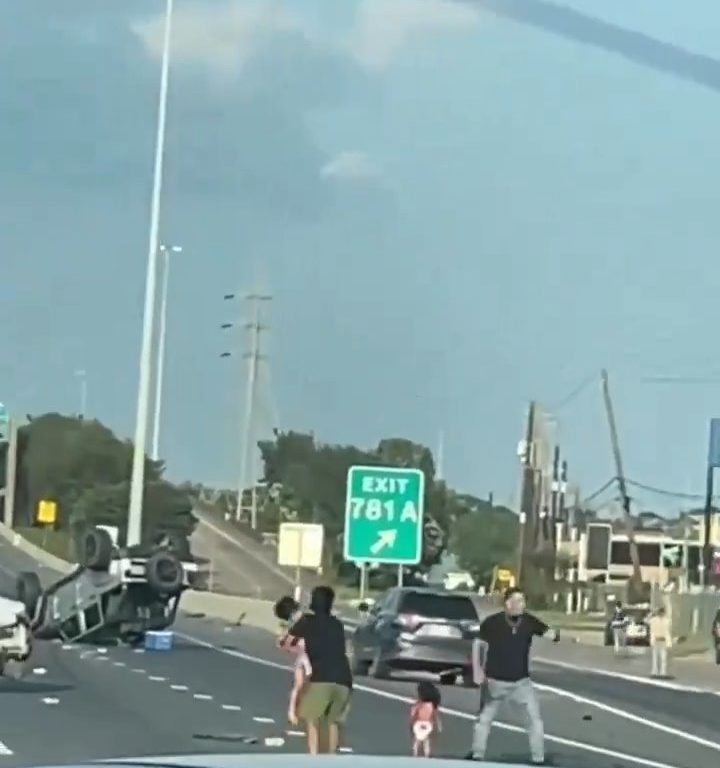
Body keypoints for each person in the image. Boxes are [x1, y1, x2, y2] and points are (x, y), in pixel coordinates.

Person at [468, 587, 559, 765]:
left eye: (522, 601)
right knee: (484, 720)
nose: (518, 605)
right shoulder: (491, 623)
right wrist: (477, 671)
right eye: (514, 601)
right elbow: (477, 645)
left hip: (521, 683)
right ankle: (476, 755)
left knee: (534, 721)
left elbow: (549, 633)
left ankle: (538, 758)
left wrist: (557, 635)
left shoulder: (529, 622)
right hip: (494, 681)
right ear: (506, 603)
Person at [285, 585, 353, 755]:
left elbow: (288, 642)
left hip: (322, 677)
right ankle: (331, 758)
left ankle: (314, 758)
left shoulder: (307, 621)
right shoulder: (337, 624)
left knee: (312, 719)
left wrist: (297, 648)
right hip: (344, 679)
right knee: (333, 722)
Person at [410, 681, 442, 758]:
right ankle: (427, 753)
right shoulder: (432, 705)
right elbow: (436, 716)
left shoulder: (418, 704)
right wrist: (439, 726)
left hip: (418, 723)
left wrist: (411, 724)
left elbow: (413, 715)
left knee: (417, 739)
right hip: (428, 725)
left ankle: (415, 753)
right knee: (426, 739)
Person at [648, 606, 671, 679]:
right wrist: (652, 613)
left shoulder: (666, 621)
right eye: (660, 612)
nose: (661, 614)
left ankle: (662, 671)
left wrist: (668, 642)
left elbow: (667, 631)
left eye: (662, 612)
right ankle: (655, 671)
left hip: (663, 640)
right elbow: (646, 620)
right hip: (656, 640)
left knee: (663, 657)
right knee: (655, 657)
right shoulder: (654, 619)